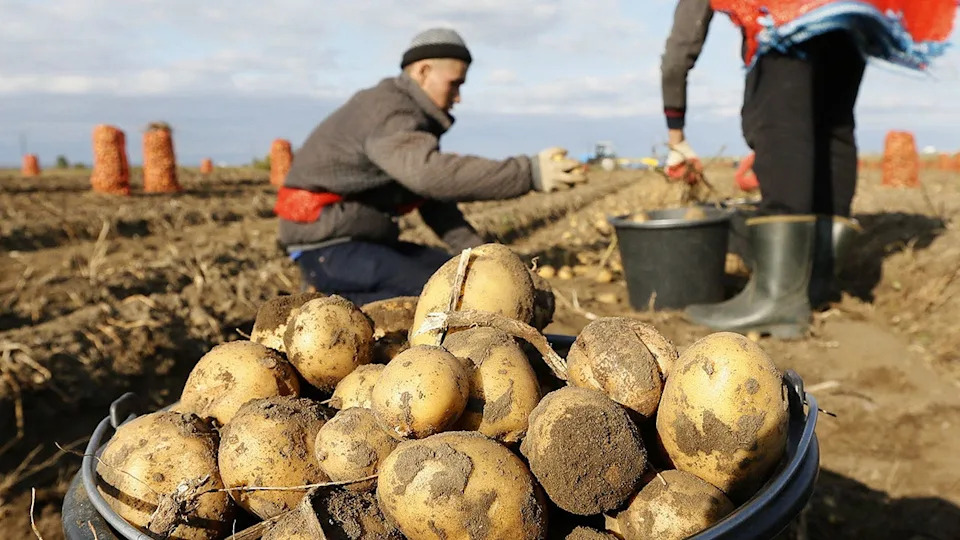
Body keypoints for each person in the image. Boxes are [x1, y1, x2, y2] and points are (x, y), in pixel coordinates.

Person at [660, 0, 956, 337]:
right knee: (832, 124)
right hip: (851, 14)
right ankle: (816, 284)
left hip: (788, 12)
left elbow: (681, 47)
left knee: (778, 121)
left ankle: (779, 300)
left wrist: (676, 136)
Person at [274, 28, 585, 305]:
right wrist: (528, 172)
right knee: (441, 297)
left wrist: (482, 258)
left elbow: (433, 201)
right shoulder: (389, 109)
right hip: (326, 246)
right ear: (423, 71)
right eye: (454, 84)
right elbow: (429, 175)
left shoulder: (406, 118)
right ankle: (320, 302)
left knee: (459, 278)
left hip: (361, 241)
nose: (458, 97)